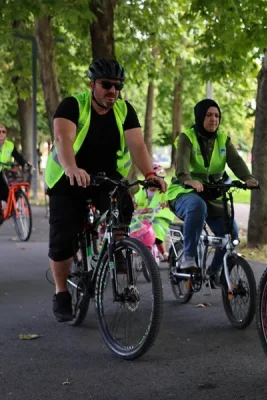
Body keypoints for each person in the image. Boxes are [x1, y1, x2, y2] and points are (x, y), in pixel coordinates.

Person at [46, 58, 167, 322]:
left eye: (117, 86)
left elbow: (137, 144)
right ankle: (62, 291)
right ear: (92, 85)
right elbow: (63, 138)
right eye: (106, 85)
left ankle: (119, 248)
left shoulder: (125, 110)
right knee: (63, 237)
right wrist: (71, 168)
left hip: (105, 176)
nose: (112, 90)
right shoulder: (73, 105)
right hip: (68, 178)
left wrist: (150, 174)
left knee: (123, 201)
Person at [165, 99, 258, 283]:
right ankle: (188, 257)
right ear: (200, 117)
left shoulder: (223, 139)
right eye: (208, 115)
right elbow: (181, 163)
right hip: (184, 192)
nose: (213, 119)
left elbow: (236, 161)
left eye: (217, 115)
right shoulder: (187, 137)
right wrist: (188, 180)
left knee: (230, 237)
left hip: (213, 194)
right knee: (197, 206)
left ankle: (214, 272)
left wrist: (247, 177)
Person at [131, 163, 175, 258]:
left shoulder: (165, 190)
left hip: (161, 216)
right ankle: (138, 248)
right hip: (143, 217)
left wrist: (166, 204)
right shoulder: (141, 191)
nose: (154, 185)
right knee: (135, 229)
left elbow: (171, 199)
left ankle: (163, 253)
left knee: (156, 229)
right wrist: (134, 204)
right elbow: (136, 202)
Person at [0, 123, 31, 222]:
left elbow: (18, 157)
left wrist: (25, 165)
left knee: (16, 189)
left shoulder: (10, 145)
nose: (1, 134)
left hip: (7, 172)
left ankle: (10, 207)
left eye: (3, 132)